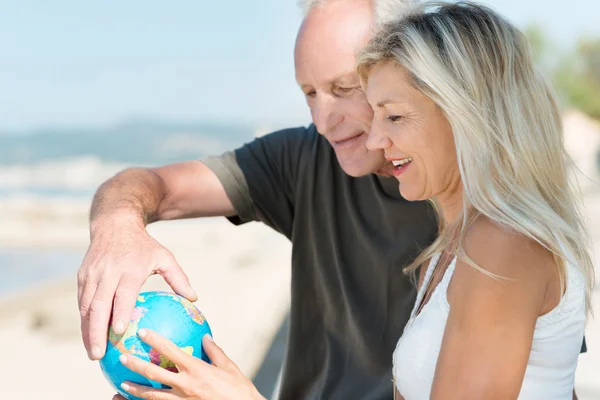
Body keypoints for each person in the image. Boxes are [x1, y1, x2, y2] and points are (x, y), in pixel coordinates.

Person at [78, 1, 439, 399]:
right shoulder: (304, 157)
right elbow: (151, 184)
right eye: (309, 93)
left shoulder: (473, 207)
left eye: (344, 88)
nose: (323, 121)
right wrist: (117, 226)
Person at [356, 2, 594, 399]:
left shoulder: (501, 245)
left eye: (394, 117)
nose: (374, 141)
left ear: (465, 113)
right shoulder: (454, 247)